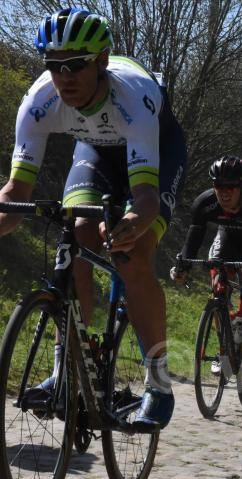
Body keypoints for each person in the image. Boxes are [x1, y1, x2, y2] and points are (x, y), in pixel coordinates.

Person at [0, 8, 186, 430]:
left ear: (101, 61)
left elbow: (145, 198)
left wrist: (133, 223)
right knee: (76, 234)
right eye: (54, 66)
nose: (64, 76)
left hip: (156, 149)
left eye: (76, 65)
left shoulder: (132, 97)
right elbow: (15, 194)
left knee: (133, 254)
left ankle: (158, 383)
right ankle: (66, 371)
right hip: (97, 152)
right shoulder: (38, 102)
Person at [171, 156, 242, 371]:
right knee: (218, 282)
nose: (224, 192)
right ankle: (224, 348)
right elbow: (193, 240)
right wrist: (184, 265)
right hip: (228, 236)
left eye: (231, 186)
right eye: (219, 185)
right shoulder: (205, 202)